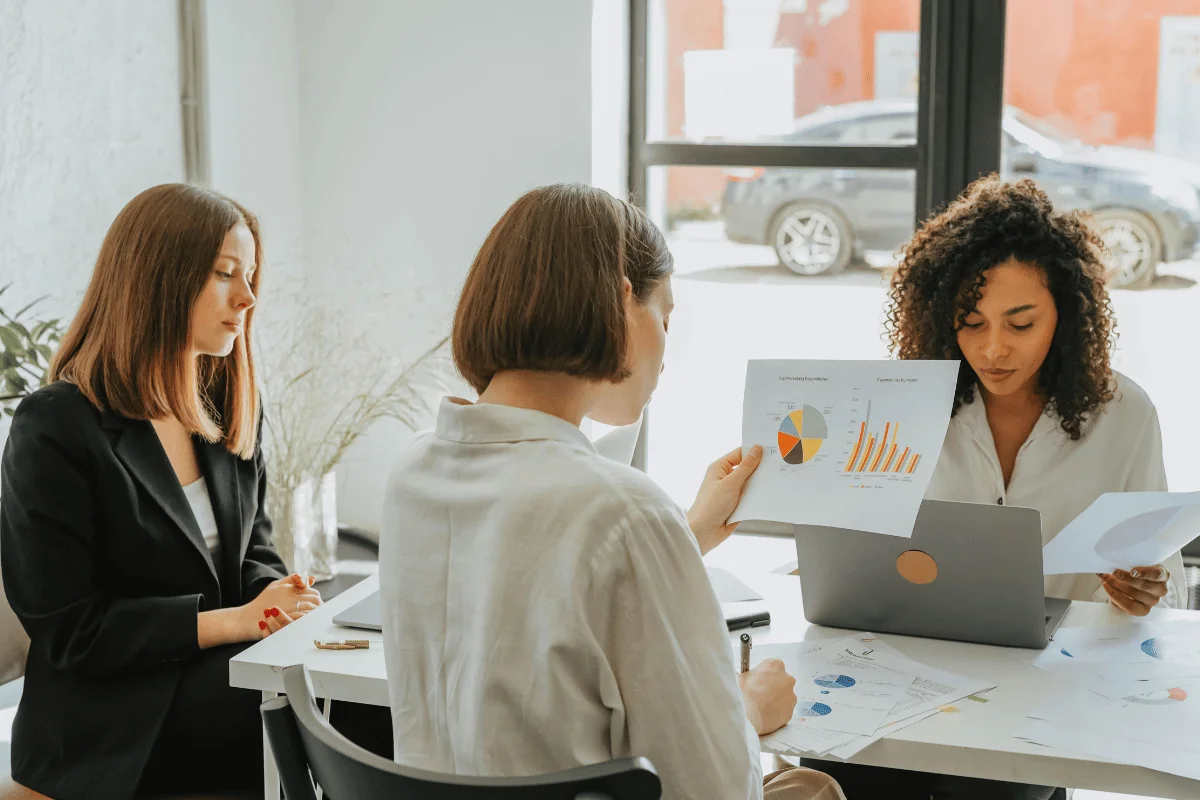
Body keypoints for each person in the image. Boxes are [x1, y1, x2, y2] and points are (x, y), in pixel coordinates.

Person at [378, 183, 846, 800]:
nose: (666, 353)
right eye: (666, 318)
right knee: (814, 787)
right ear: (622, 301)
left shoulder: (412, 471)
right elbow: (716, 788)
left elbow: (533, 584)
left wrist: (686, 535)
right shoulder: (623, 511)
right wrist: (746, 710)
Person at [806, 177, 1187, 799]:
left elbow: (1156, 584)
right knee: (834, 771)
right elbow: (855, 555)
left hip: (1041, 695)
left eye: (1021, 322)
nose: (993, 348)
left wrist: (1139, 591)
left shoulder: (1124, 415)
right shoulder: (906, 404)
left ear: (1065, 313)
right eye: (971, 322)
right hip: (908, 672)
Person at [0, 184, 322, 799]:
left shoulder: (230, 409)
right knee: (314, 716)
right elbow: (73, 632)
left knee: (357, 699)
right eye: (226, 273)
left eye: (250, 275)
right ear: (158, 279)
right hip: (109, 716)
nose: (248, 297)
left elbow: (255, 551)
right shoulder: (57, 425)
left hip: (216, 676)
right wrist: (234, 622)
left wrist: (277, 601)